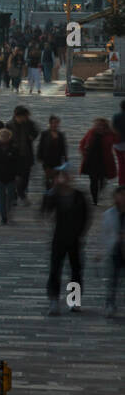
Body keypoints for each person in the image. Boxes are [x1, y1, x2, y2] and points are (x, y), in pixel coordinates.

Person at [42, 171, 89, 315]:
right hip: (59, 238)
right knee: (55, 270)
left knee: (75, 270)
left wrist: (80, 233)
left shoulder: (79, 196)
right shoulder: (54, 195)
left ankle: (74, 301)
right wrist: (51, 192)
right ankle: (54, 301)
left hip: (75, 239)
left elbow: (86, 216)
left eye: (66, 176)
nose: (64, 180)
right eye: (61, 177)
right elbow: (45, 211)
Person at [98, 186, 125, 317]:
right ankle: (110, 303)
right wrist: (102, 251)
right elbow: (105, 233)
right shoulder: (109, 214)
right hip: (115, 251)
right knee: (113, 279)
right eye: (120, 195)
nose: (122, 198)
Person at [79, 117, 117, 205]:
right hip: (91, 161)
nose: (98, 127)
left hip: (104, 162)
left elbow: (117, 141)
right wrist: (83, 152)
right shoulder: (91, 132)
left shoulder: (110, 134)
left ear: (105, 126)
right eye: (97, 125)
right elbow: (82, 143)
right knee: (93, 181)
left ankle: (99, 193)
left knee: (102, 180)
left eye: (100, 125)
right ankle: (94, 201)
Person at [7, 105, 39, 205]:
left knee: (25, 177)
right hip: (14, 156)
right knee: (15, 177)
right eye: (23, 116)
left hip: (26, 155)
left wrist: (31, 137)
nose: (25, 118)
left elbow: (36, 132)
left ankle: (20, 193)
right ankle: (17, 195)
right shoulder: (9, 125)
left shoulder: (29, 124)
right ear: (17, 116)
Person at [0, 128, 21, 225]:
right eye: (2, 137)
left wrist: (18, 174)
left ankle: (7, 214)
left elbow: (18, 163)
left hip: (11, 177)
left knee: (10, 197)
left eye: (5, 137)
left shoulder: (14, 149)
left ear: (9, 137)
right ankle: (4, 217)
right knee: (1, 198)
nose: (4, 138)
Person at [37, 115, 69, 189]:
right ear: (50, 123)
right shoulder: (44, 134)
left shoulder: (61, 135)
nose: (55, 124)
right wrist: (39, 157)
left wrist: (66, 159)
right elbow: (40, 146)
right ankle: (48, 193)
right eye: (53, 123)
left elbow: (64, 148)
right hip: (47, 160)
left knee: (56, 179)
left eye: (57, 123)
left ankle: (55, 193)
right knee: (48, 178)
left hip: (57, 160)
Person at [111, 100, 125, 187]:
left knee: (121, 164)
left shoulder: (115, 116)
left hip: (118, 144)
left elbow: (113, 129)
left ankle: (121, 183)